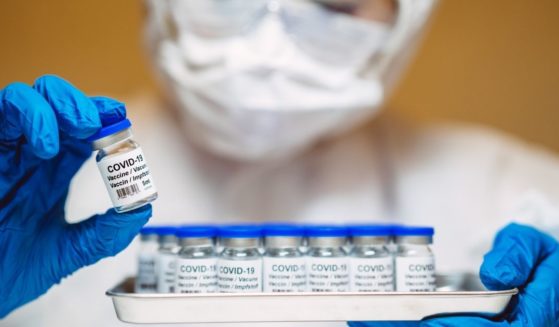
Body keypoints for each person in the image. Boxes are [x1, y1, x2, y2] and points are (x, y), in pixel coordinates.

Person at [1, 0, 559, 326]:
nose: (268, 44)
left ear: (407, 17)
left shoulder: (525, 195)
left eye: (335, 1)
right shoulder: (26, 187)